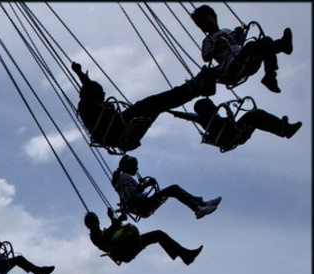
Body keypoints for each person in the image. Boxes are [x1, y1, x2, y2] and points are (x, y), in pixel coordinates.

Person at [71, 61, 216, 152]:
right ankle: (194, 88)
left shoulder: (92, 102)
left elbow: (89, 86)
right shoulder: (87, 104)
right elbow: (89, 87)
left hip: (117, 130)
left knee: (156, 105)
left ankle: (195, 89)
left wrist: (80, 73)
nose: (103, 95)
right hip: (115, 130)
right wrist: (81, 75)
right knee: (150, 103)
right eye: (101, 93)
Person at [190, 5, 293, 93]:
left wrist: (239, 33)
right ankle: (280, 46)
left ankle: (270, 75)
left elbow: (239, 42)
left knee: (265, 41)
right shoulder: (208, 40)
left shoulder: (225, 30)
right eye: (200, 24)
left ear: (214, 17)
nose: (203, 25)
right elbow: (206, 57)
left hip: (243, 58)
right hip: (231, 66)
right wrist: (216, 44)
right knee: (252, 45)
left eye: (205, 20)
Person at [111, 154, 221, 219]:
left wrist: (143, 185)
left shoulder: (122, 178)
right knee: (174, 189)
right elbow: (132, 195)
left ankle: (201, 203)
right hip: (142, 205)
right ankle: (197, 208)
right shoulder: (125, 176)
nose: (137, 168)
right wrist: (147, 185)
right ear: (128, 167)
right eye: (135, 166)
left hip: (141, 204)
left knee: (173, 189)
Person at [170, 98, 302, 151]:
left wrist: (230, 109)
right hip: (230, 135)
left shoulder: (214, 116)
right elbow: (188, 116)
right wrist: (171, 111)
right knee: (253, 116)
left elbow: (230, 121)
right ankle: (283, 129)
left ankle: (284, 129)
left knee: (257, 116)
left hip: (234, 133)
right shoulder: (204, 119)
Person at [84, 210, 204, 266]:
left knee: (158, 234)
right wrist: (117, 220)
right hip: (123, 249)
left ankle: (185, 256)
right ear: (89, 224)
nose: (96, 220)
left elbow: (113, 231)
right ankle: (186, 256)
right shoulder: (94, 235)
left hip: (126, 246)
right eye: (93, 219)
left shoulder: (100, 232)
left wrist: (115, 219)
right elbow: (107, 240)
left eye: (96, 217)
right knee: (157, 235)